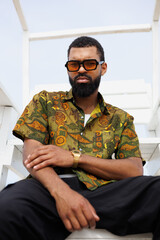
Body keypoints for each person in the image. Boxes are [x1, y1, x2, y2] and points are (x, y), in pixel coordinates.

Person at [0, 36, 159, 240]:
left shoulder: (121, 119)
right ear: (68, 68)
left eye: (90, 63)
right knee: (6, 208)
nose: (81, 69)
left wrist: (75, 158)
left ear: (103, 68)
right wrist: (62, 193)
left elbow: (134, 169)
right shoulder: (45, 101)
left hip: (105, 193)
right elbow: (32, 155)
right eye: (74, 64)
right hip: (47, 190)